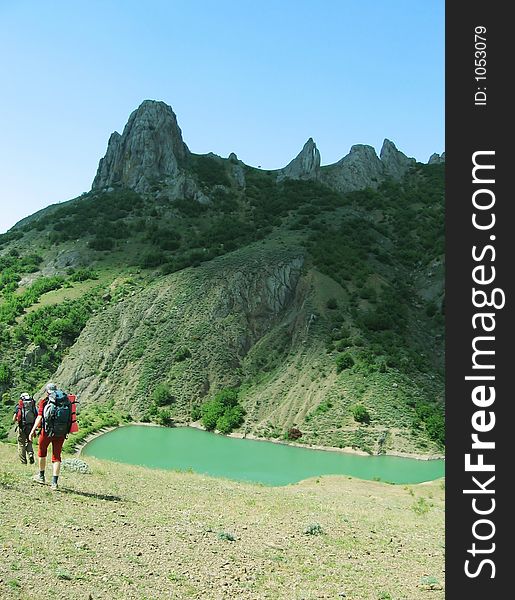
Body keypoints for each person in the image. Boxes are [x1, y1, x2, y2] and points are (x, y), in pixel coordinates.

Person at [29, 382, 72, 491]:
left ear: (47, 391)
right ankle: (54, 483)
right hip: (61, 433)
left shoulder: (44, 401)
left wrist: (32, 431)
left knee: (42, 452)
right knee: (56, 456)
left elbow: (39, 417)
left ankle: (41, 476)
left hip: (47, 432)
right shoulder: (66, 401)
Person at [12, 392, 37, 465]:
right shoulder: (32, 405)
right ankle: (30, 454)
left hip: (22, 427)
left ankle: (23, 462)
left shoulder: (19, 406)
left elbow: (13, 419)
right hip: (31, 427)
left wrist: (17, 420)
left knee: (21, 444)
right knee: (29, 442)